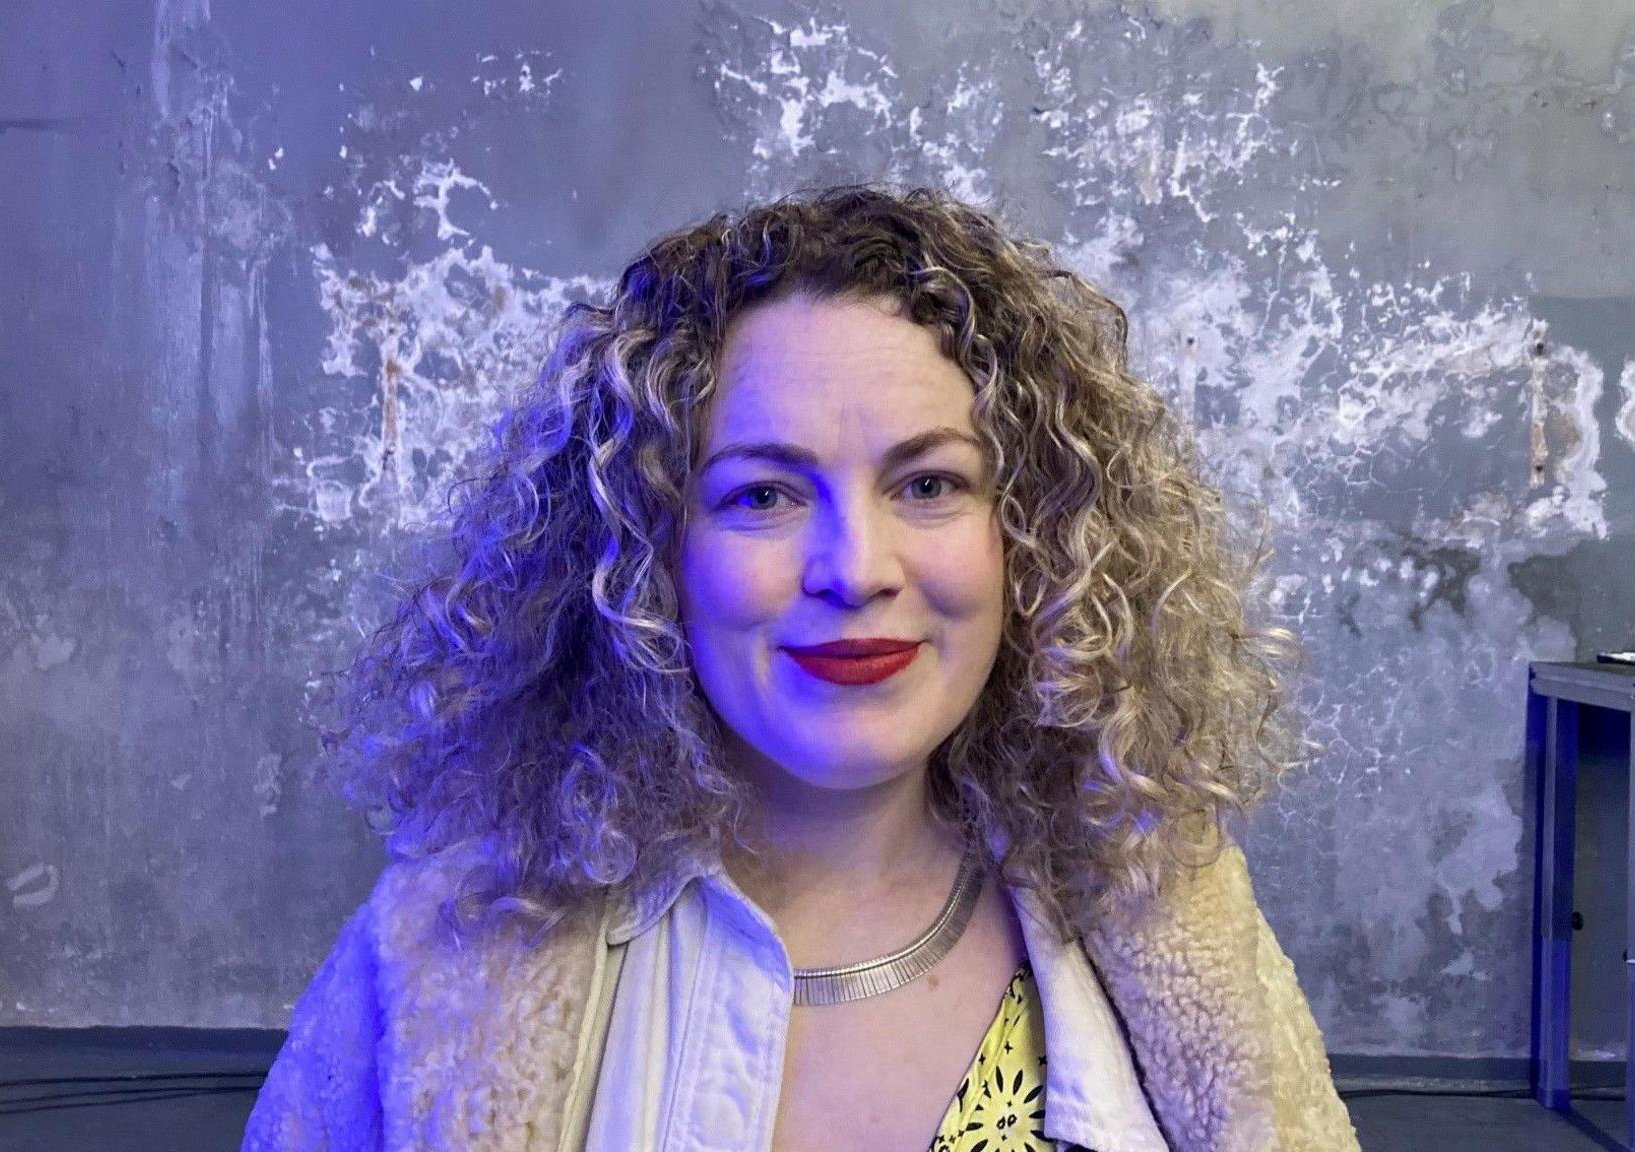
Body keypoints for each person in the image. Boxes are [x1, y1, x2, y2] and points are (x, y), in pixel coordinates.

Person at [241, 183, 1361, 1152]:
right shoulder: (449, 946)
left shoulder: (1173, 920)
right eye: (762, 495)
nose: (853, 570)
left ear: (1035, 533)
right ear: (645, 555)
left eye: (928, 484)